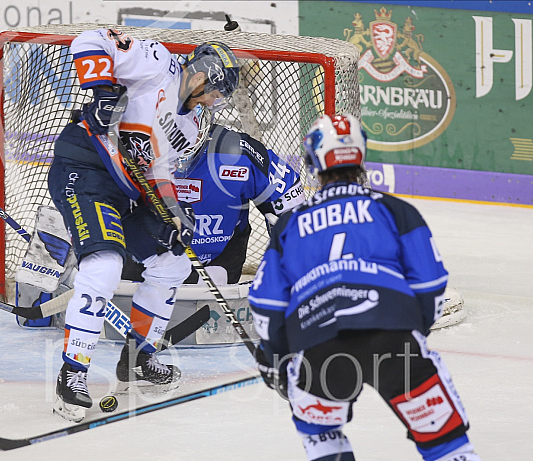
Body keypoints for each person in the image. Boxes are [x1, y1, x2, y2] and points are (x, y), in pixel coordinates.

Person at [249, 114, 481, 461]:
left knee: (321, 434)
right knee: (446, 442)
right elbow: (431, 284)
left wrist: (276, 357)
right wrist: (409, 330)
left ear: (313, 162)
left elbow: (266, 304)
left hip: (318, 345)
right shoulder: (395, 210)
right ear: (360, 155)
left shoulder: (290, 224)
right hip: (393, 336)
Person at [47, 28, 240, 422]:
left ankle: (139, 357)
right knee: (104, 264)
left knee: (174, 262)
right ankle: (72, 373)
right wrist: (101, 90)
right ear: (202, 75)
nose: (215, 101)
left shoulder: (188, 129)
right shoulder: (157, 63)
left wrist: (173, 211)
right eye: (216, 92)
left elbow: (158, 170)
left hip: (127, 189)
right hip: (85, 166)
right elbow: (90, 39)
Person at [122, 123, 305, 286]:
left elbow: (290, 201)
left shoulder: (237, 152)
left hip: (218, 264)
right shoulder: (127, 147)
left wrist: (290, 267)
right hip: (140, 260)